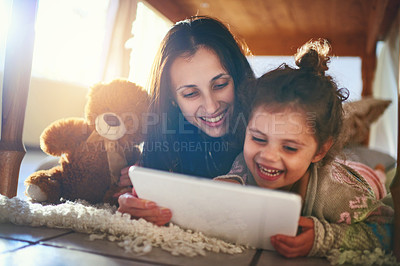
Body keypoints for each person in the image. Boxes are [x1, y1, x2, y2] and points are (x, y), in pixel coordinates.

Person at [215, 39, 394, 258]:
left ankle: (379, 170)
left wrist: (324, 237)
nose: (268, 156)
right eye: (259, 139)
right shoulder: (246, 160)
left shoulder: (339, 194)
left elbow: (386, 230)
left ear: (320, 150)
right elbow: (235, 178)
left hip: (361, 178)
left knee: (377, 176)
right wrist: (223, 188)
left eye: (289, 148)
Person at [117, 16, 255, 225]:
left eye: (220, 85)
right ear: (172, 100)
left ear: (239, 78)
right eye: (191, 94)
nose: (211, 106)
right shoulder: (165, 135)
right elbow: (144, 186)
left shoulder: (267, 119)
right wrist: (132, 200)